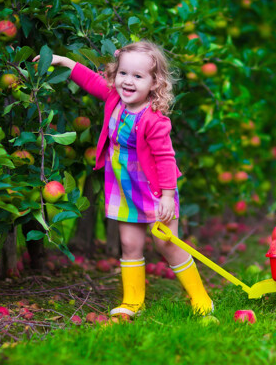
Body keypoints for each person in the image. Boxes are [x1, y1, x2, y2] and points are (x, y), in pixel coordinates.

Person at [33, 41, 213, 316]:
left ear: (154, 83)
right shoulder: (114, 99)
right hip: (124, 188)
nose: (128, 82)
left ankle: (201, 299)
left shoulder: (153, 120)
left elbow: (166, 159)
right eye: (123, 74)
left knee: (166, 243)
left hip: (154, 190)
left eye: (138, 76)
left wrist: (167, 195)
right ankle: (132, 302)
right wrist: (65, 62)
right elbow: (91, 81)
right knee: (130, 245)